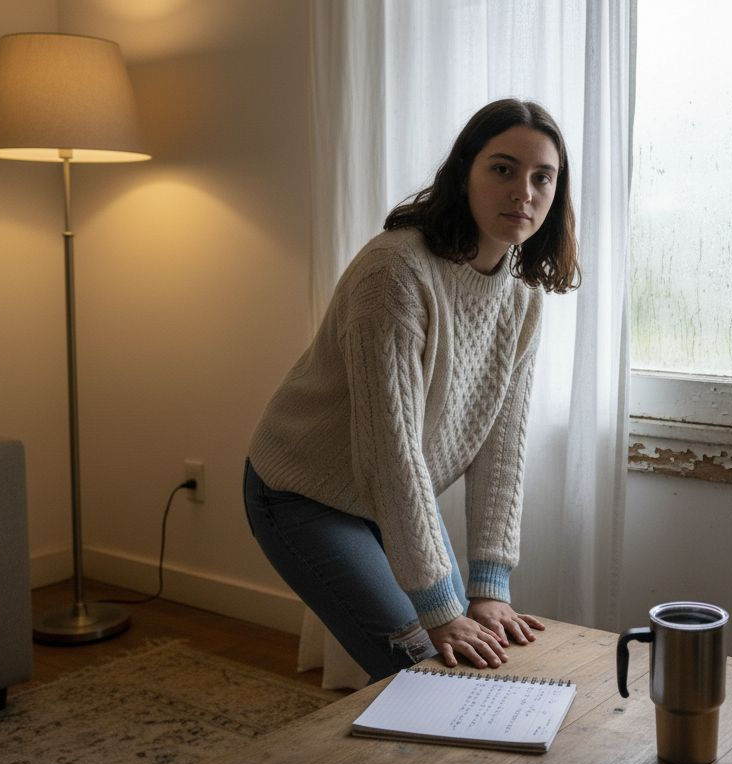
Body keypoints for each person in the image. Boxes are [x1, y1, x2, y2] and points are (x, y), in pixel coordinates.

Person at [243, 98, 579, 684]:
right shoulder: (394, 273)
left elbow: (502, 449)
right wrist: (442, 611)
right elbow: (390, 454)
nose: (523, 191)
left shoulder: (522, 298)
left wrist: (489, 584)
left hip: (384, 497)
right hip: (303, 493)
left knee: (481, 650)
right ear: (464, 173)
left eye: (541, 177)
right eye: (502, 169)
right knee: (429, 668)